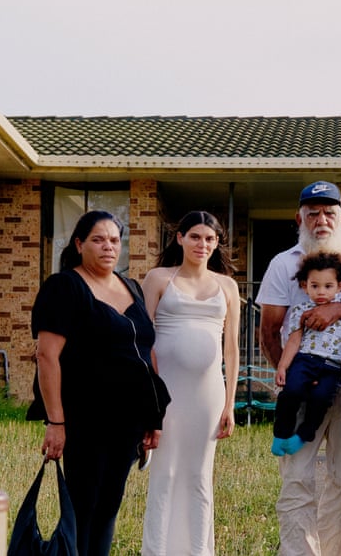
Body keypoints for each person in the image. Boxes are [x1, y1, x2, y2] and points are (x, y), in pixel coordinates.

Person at [30, 210, 170, 556]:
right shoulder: (64, 287)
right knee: (83, 506)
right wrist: (56, 422)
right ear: (79, 244)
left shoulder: (131, 287)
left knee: (108, 506)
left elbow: (145, 351)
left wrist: (153, 418)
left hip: (128, 419)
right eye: (98, 239)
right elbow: (47, 357)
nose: (108, 246)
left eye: (114, 240)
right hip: (85, 418)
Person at [258, 181, 341, 556]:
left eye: (329, 212)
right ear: (300, 218)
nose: (321, 219)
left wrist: (339, 309)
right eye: (312, 213)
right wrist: (288, 374)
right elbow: (268, 331)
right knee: (297, 479)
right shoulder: (284, 262)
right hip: (301, 385)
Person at [140, 211, 241, 556]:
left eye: (210, 239)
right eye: (195, 236)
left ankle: (198, 552)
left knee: (199, 476)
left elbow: (232, 347)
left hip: (208, 395)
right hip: (164, 391)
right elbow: (142, 337)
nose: (203, 244)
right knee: (165, 473)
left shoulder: (227, 286)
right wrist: (149, 395)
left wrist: (229, 404)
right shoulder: (157, 278)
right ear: (180, 238)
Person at [272, 251, 341, 457]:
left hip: (334, 367)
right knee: (291, 391)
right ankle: (280, 434)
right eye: (314, 286)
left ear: (340, 285)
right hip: (305, 360)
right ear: (304, 285)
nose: (321, 292)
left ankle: (303, 435)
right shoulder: (302, 309)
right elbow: (294, 339)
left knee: (320, 398)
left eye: (328, 286)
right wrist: (283, 366)